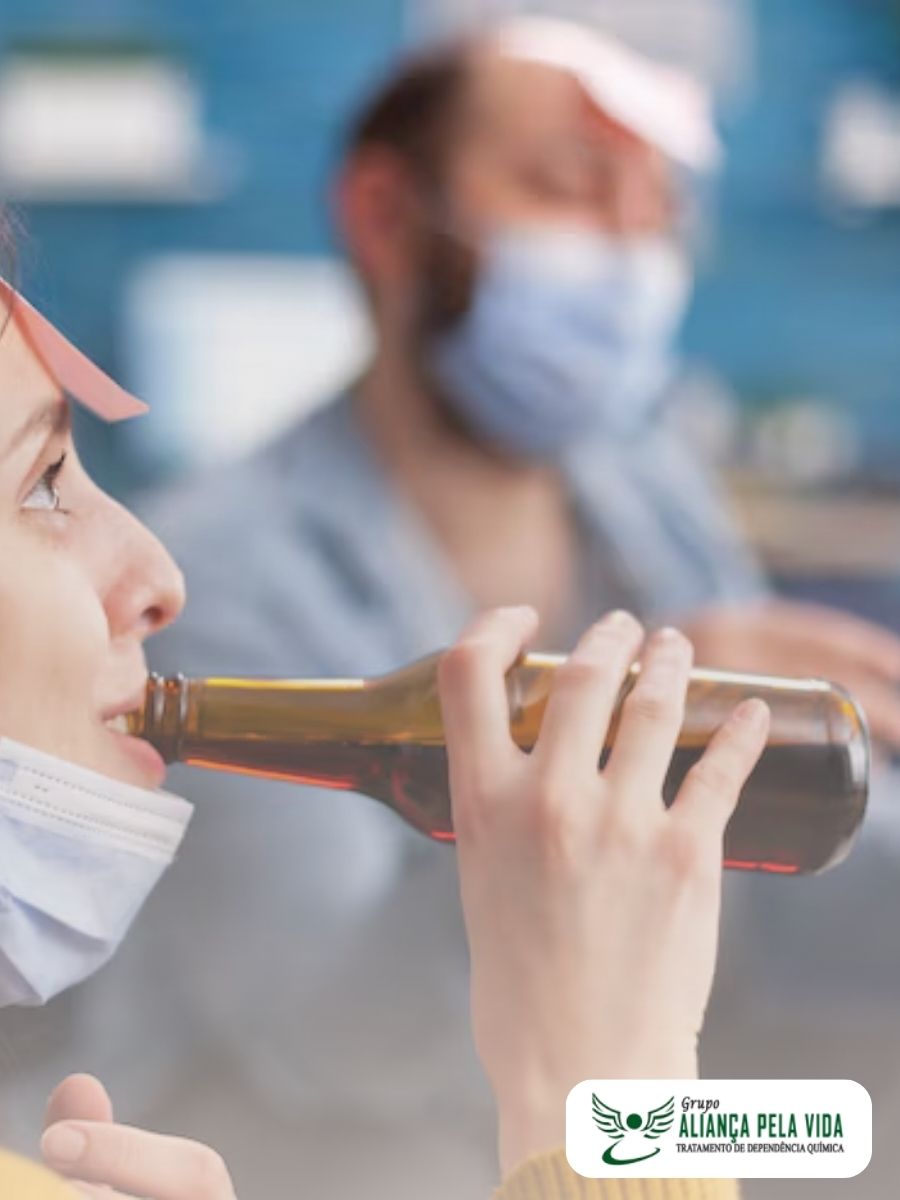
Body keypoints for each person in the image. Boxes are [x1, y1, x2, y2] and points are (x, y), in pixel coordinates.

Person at [64, 17, 897, 1200]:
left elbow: (775, 864)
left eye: (658, 210)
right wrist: (582, 763)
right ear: (386, 216)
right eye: (568, 186)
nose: (631, 251)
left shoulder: (648, 494)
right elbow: (331, 1039)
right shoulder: (207, 581)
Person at [0, 256, 762, 1195]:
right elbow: (320, 1031)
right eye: (42, 485)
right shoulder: (244, 565)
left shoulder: (656, 493)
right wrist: (609, 1092)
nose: (162, 577)